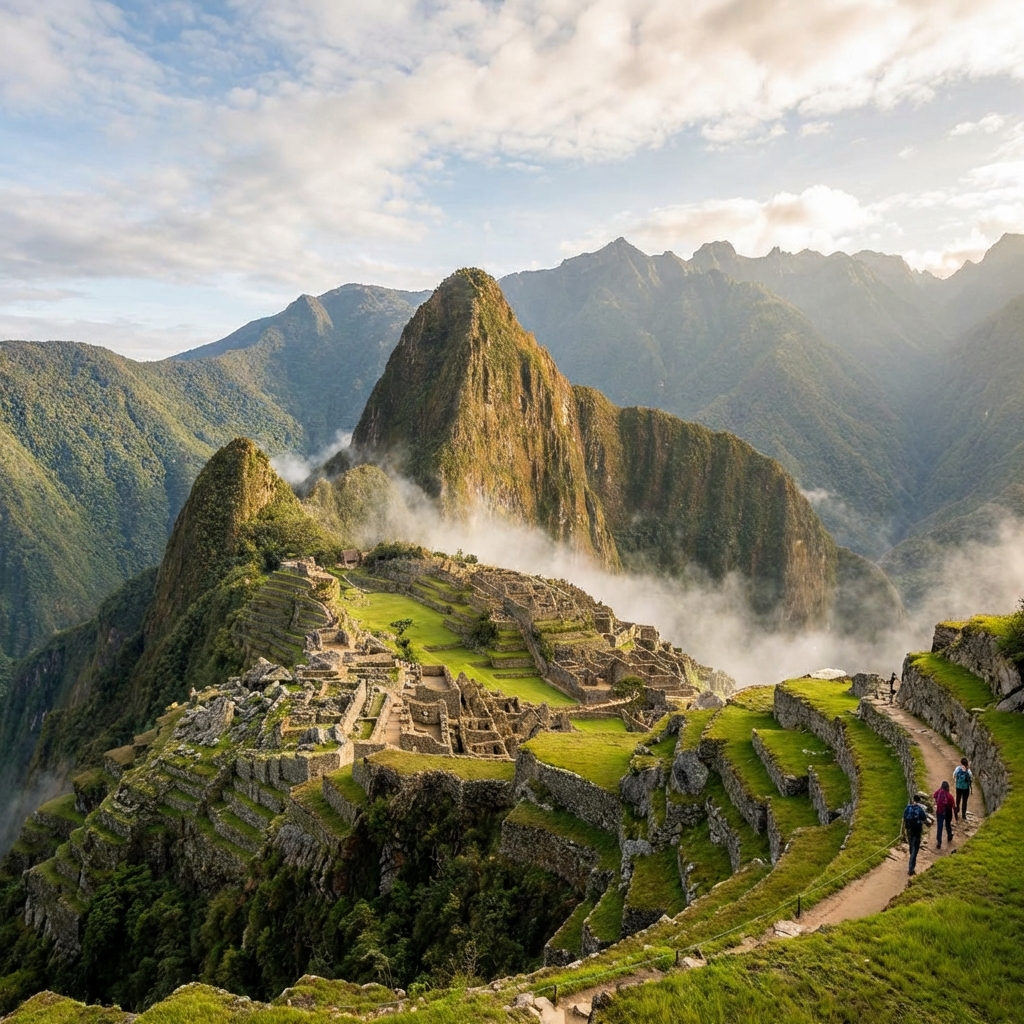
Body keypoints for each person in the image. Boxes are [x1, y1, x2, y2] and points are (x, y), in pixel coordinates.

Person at [903, 794, 929, 875]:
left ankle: (911, 860)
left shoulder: (908, 807)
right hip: (917, 829)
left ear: (913, 800)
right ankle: (911, 867)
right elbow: (924, 818)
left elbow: (904, 816)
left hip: (909, 829)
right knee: (915, 848)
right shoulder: (920, 809)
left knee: (911, 845)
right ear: (919, 801)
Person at [933, 780, 955, 848]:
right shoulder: (949, 796)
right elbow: (953, 805)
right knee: (948, 824)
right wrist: (955, 814)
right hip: (947, 812)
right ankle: (949, 836)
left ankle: (939, 841)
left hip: (939, 811)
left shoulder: (939, 791)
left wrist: (937, 801)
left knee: (940, 826)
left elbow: (934, 795)